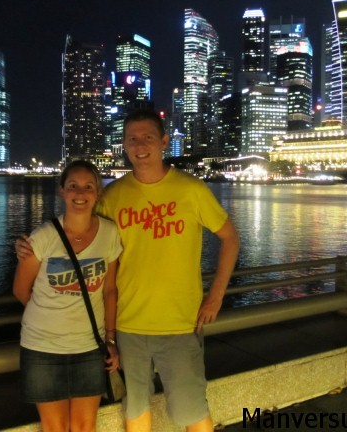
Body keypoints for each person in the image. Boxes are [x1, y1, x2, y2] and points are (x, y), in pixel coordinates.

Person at [16, 110, 240, 431]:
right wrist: (30, 249)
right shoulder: (114, 196)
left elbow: (230, 237)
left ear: (164, 142)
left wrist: (216, 295)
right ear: (124, 145)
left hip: (180, 322)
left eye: (148, 137)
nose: (140, 145)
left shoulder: (191, 190)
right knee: (134, 407)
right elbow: (79, 233)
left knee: (191, 408)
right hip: (126, 325)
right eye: (132, 139)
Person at [13, 160, 122, 432]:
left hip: (89, 346)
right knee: (55, 428)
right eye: (73, 186)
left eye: (88, 187)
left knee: (85, 426)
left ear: (97, 192)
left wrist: (110, 339)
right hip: (42, 348)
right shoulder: (44, 236)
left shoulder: (109, 234)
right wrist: (53, 312)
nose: (80, 193)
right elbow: (20, 290)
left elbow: (110, 290)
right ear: (62, 191)